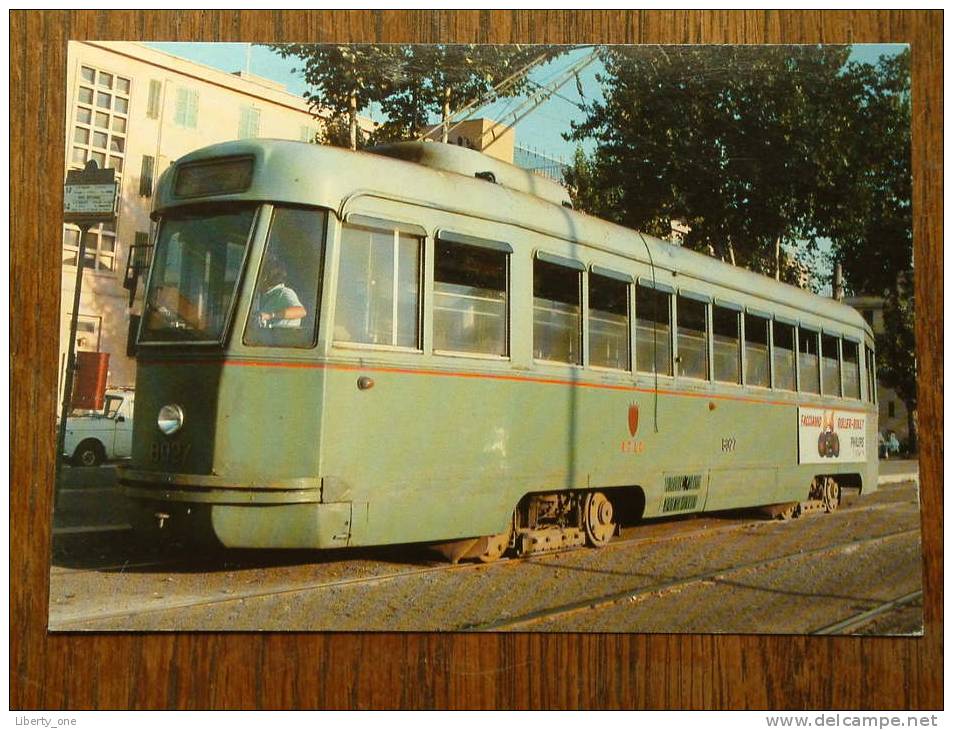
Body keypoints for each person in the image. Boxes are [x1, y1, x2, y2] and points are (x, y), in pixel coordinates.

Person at [255, 258, 306, 329]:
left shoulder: (284, 292)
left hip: (284, 337)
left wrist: (270, 315)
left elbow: (301, 311)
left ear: (265, 277)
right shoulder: (259, 295)